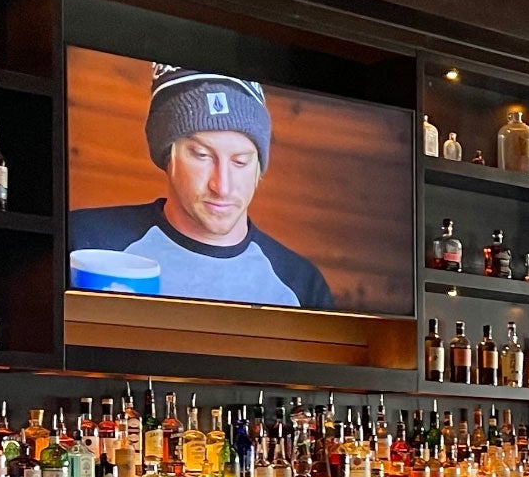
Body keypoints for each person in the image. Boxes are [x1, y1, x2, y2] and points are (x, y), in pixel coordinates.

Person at [70, 66, 335, 309]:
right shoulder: (83, 241)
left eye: (240, 161)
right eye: (202, 155)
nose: (222, 186)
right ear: (168, 157)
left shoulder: (302, 286)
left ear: (258, 167)